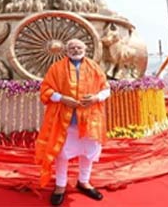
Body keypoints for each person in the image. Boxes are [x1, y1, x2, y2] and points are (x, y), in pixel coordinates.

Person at [35, 39, 111, 205]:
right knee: (62, 154)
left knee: (88, 153)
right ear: (66, 50)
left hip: (90, 120)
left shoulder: (94, 67)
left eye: (78, 47)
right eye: (72, 47)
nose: (75, 50)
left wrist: (96, 97)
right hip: (64, 121)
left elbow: (106, 89)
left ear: (85, 49)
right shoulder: (56, 68)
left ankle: (84, 181)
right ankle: (60, 186)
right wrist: (62, 98)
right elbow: (45, 90)